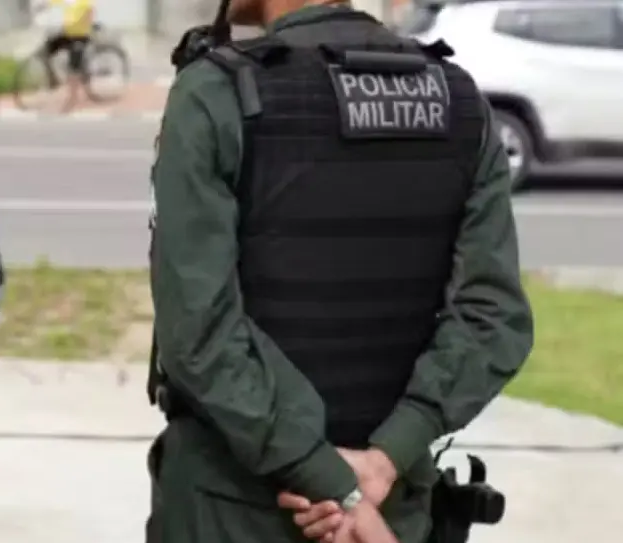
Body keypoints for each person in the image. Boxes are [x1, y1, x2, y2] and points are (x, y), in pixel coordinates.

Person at [145, 1, 535, 543]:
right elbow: (493, 318)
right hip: (393, 508)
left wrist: (330, 478)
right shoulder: (458, 100)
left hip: (232, 510)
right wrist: (383, 460)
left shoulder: (217, 93)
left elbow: (199, 333)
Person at [33, 0, 96, 110]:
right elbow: (52, 2)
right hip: (67, 34)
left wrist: (80, 22)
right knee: (44, 52)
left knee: (73, 68)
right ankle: (53, 79)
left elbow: (89, 15)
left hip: (80, 36)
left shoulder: (86, 2)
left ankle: (73, 99)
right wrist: (41, 6)